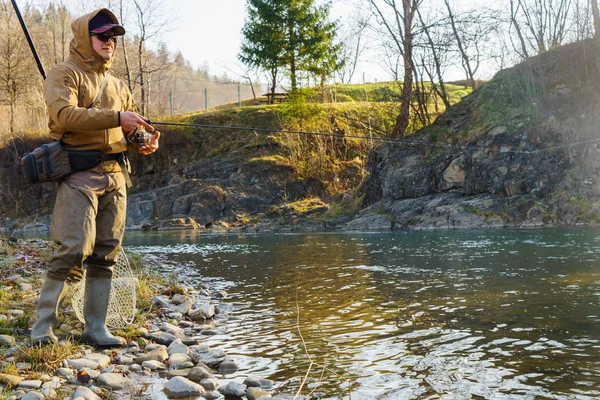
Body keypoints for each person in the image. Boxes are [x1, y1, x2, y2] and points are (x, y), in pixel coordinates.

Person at [30, 8, 160, 348]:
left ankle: (96, 328)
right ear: (84, 37)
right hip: (79, 176)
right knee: (73, 248)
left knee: (106, 253)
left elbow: (126, 133)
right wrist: (118, 116)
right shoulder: (64, 73)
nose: (110, 43)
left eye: (114, 37)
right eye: (103, 36)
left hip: (115, 177)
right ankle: (43, 328)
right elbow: (63, 116)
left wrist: (142, 141)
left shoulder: (119, 85)